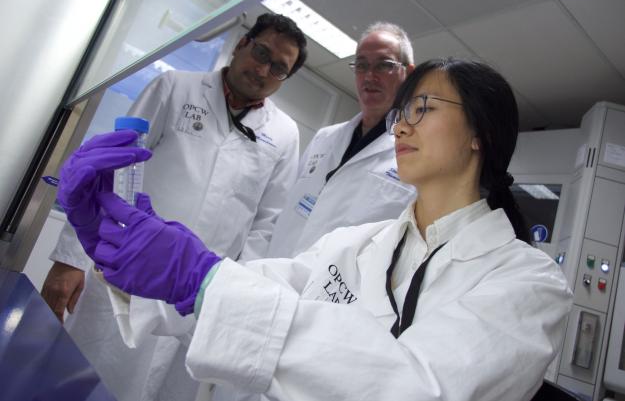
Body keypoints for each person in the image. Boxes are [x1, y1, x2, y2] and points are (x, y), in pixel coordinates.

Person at [57, 57, 573, 401]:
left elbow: (421, 387)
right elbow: (240, 295)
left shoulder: (527, 284)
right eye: (401, 112)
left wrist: (204, 279)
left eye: (423, 108)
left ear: (480, 133)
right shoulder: (354, 244)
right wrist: (116, 242)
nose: (401, 126)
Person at [42, 12, 307, 401]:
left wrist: (234, 296)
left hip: (200, 294)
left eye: (278, 68)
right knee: (86, 378)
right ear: (242, 45)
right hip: (125, 275)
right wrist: (69, 260)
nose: (263, 69)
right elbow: (107, 172)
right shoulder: (174, 88)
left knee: (165, 389)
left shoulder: (284, 134)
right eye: (261, 52)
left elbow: (265, 225)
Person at [266, 22, 416, 258]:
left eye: (384, 65)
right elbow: (283, 211)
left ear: (408, 74)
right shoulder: (324, 138)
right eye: (362, 65)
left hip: (330, 289)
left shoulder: (415, 154)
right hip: (273, 270)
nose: (369, 76)